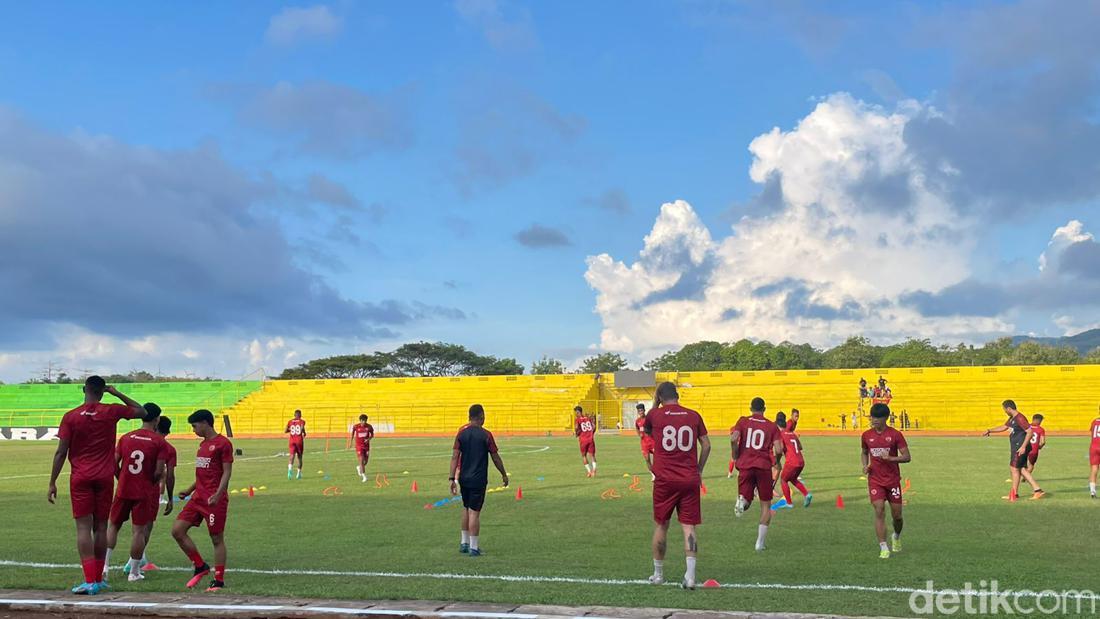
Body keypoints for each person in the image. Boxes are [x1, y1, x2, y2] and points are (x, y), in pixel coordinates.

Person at [47, 376, 146, 596]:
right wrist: (117, 393)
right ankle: (99, 580)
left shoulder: (70, 416)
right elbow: (142, 411)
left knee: (83, 528)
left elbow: (61, 451)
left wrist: (52, 481)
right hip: (104, 477)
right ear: (103, 391)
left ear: (84, 389)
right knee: (101, 527)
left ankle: (90, 580)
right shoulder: (110, 411)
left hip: (80, 477)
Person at [644, 382, 709, 590]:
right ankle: (690, 577)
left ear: (660, 397)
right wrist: (698, 469)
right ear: (677, 395)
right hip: (689, 478)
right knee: (688, 526)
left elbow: (649, 432)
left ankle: (658, 574)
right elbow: (706, 445)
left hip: (664, 479)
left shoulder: (655, 415)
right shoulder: (693, 415)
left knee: (662, 524)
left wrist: (656, 403)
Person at [103, 403, 169, 583]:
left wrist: (121, 477)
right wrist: (150, 482)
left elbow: (113, 463)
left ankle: (104, 567)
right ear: (157, 419)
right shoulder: (159, 441)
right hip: (143, 491)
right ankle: (133, 572)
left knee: (113, 525)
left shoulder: (126, 437)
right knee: (138, 531)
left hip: (124, 488)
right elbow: (158, 471)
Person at [172, 409, 233, 592]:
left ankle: (219, 580)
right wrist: (189, 490)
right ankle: (200, 566)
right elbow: (202, 474)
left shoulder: (223, 444)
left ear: (205, 423)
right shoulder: (202, 445)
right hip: (197, 498)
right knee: (177, 531)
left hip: (214, 500)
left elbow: (227, 472)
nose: (193, 429)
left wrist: (218, 494)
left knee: (216, 539)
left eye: (194, 425)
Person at [449, 404, 509, 557]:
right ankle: (474, 548)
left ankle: (464, 543)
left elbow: (455, 456)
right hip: (478, 479)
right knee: (474, 512)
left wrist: (451, 478)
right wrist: (503, 473)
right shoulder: (486, 435)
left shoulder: (461, 433)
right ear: (481, 416)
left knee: (466, 508)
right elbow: (495, 457)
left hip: (464, 478)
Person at [730, 397, 783, 552]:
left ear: (750, 408)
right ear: (764, 409)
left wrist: (735, 454)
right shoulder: (771, 426)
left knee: (745, 502)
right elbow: (779, 449)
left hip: (745, 465)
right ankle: (759, 543)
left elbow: (734, 438)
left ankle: (742, 501)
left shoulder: (743, 421)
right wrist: (777, 461)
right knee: (766, 505)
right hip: (763, 466)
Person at [862, 403, 910, 559]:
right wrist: (865, 465)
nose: (874, 420)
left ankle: (896, 536)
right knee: (879, 509)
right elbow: (864, 452)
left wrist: (891, 458)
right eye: (872, 417)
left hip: (892, 480)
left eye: (877, 417)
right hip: (875, 480)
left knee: (897, 516)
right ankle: (883, 547)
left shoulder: (895, 435)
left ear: (885, 418)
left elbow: (907, 456)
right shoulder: (866, 435)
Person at [132, 415, 176, 575]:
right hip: (149, 491)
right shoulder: (165, 446)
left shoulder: (135, 439)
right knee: (145, 527)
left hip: (130, 486)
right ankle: (133, 565)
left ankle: (108, 566)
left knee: (129, 526)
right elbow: (167, 475)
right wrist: (170, 498)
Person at [983, 400, 1044, 502]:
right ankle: (1018, 493)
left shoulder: (1020, 418)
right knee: (1020, 469)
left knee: (1015, 469)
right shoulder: (1012, 418)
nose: (1004, 412)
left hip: (1020, 447)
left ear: (1009, 409)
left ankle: (1036, 491)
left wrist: (1023, 446)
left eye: (1004, 409)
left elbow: (1029, 431)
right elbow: (1004, 427)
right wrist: (990, 430)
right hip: (1017, 446)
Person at [771, 412, 812, 510]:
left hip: (792, 462)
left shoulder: (780, 434)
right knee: (793, 479)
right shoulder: (792, 434)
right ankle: (807, 494)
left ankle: (789, 503)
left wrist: (776, 459)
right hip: (801, 461)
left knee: (783, 480)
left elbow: (779, 449)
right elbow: (800, 447)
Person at [574, 406, 597, 477]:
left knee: (584, 456)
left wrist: (576, 433)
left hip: (583, 440)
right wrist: (592, 433)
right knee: (592, 455)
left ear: (578, 412)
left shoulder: (577, 419)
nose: (576, 414)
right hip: (590, 439)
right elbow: (594, 426)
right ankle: (594, 470)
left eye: (576, 412)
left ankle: (589, 472)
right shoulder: (588, 418)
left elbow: (576, 427)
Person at [634, 403, 655, 480]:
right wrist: (639, 434)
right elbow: (637, 428)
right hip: (644, 443)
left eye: (642, 410)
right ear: (638, 412)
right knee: (647, 459)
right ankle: (653, 474)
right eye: (639, 411)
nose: (641, 412)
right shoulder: (637, 421)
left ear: (644, 410)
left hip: (652, 442)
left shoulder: (648, 419)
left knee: (658, 458)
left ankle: (659, 472)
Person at [352, 414, 375, 483]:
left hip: (366, 446)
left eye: (365, 421)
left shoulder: (369, 427)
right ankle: (364, 476)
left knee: (365, 462)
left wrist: (368, 439)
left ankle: (359, 467)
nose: (364, 422)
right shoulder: (356, 426)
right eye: (362, 421)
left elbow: (372, 435)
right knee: (361, 459)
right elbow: (352, 433)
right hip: (359, 446)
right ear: (360, 420)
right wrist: (351, 442)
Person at [285, 410, 306, 480]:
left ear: (294, 415)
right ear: (300, 415)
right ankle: (298, 474)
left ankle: (289, 469)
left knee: (291, 456)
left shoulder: (290, 421)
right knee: (299, 457)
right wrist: (304, 432)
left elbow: (285, 431)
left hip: (292, 441)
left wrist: (291, 430)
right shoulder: (302, 421)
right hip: (299, 441)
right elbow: (302, 428)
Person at [1089, 409, 1100, 498]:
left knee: (1094, 468)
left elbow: (1092, 432)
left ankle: (1092, 491)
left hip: (1094, 447)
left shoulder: (1094, 421)